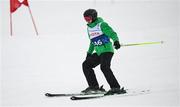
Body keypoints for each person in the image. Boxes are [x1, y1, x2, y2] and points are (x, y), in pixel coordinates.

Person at [82, 9, 126, 95]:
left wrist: (116, 41)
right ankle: (94, 86)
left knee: (104, 67)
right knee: (86, 65)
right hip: (99, 52)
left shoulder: (102, 25)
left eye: (88, 18)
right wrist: (89, 53)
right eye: (85, 19)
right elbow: (92, 41)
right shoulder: (89, 28)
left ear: (94, 16)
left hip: (107, 50)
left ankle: (115, 87)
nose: (87, 20)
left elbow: (112, 34)